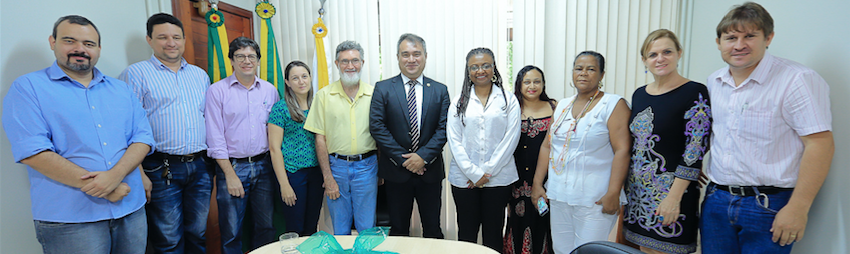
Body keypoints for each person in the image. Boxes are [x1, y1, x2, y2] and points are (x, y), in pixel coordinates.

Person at [2, 15, 154, 254]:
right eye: (69, 41)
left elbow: (142, 138)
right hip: (71, 218)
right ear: (52, 42)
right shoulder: (28, 88)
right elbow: (34, 152)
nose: (79, 49)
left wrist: (115, 176)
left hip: (130, 209)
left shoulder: (121, 89)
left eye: (89, 44)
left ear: (99, 49)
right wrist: (105, 187)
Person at [701, 2, 834, 254]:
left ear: (768, 38)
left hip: (768, 205)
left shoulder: (797, 79)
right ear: (719, 42)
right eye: (731, 37)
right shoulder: (714, 81)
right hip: (716, 200)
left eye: (749, 36)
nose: (739, 45)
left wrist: (798, 207)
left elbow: (820, 143)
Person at [119, 13, 212, 254]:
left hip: (200, 165)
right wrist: (137, 172)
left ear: (183, 40)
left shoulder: (199, 75)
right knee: (168, 239)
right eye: (162, 37)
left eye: (176, 37)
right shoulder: (135, 74)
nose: (170, 42)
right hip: (160, 168)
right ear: (150, 40)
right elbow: (125, 128)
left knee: (198, 233)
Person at [531, 51, 630, 253]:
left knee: (589, 251)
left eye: (591, 69)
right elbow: (547, 145)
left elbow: (623, 150)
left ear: (602, 75)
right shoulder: (562, 106)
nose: (583, 73)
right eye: (579, 68)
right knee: (561, 250)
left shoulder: (613, 104)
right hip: (559, 195)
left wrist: (613, 192)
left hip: (595, 198)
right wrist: (537, 184)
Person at [622, 29, 711, 254]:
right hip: (639, 195)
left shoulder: (695, 92)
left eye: (667, 52)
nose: (660, 58)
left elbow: (695, 149)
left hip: (672, 195)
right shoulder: (639, 94)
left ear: (679, 53)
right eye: (652, 54)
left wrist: (674, 197)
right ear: (644, 60)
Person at [370, 33, 450, 238]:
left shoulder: (440, 90)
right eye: (405, 54)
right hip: (396, 172)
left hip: (429, 172)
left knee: (433, 229)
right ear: (397, 57)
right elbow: (377, 127)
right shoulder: (383, 88)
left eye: (417, 54)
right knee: (398, 230)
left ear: (425, 56)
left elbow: (444, 129)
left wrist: (422, 157)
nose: (411, 59)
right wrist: (405, 160)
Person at [205, 37, 280, 254]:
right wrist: (228, 174)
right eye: (240, 56)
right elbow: (215, 136)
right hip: (233, 167)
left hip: (264, 166)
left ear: (258, 61)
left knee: (266, 226)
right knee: (231, 230)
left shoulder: (269, 91)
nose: (246, 61)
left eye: (251, 56)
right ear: (231, 60)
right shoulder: (217, 91)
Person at [447, 47, 520, 251]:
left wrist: (486, 172)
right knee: (467, 233)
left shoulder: (508, 100)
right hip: (464, 180)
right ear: (468, 71)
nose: (480, 70)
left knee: (494, 232)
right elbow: (454, 140)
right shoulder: (458, 102)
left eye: (486, 65)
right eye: (475, 67)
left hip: (498, 179)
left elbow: (511, 138)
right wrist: (473, 172)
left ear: (494, 67)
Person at [304, 40, 378, 235]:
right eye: (344, 61)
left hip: (368, 168)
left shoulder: (375, 95)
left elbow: (381, 135)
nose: (350, 66)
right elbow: (320, 139)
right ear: (336, 64)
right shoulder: (323, 96)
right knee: (340, 228)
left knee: (367, 228)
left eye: (355, 60)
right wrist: (327, 177)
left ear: (362, 62)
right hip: (336, 168)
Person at [503, 65, 556, 254]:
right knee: (516, 222)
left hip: (546, 181)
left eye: (537, 81)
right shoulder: (511, 108)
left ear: (543, 84)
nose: (532, 86)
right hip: (515, 180)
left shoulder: (554, 108)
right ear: (519, 85)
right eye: (527, 82)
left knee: (544, 222)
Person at [268, 61, 323, 236]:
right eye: (295, 78)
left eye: (304, 76)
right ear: (287, 82)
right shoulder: (280, 109)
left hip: (316, 173)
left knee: (311, 227)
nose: (301, 81)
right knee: (295, 227)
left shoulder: (318, 105)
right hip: (292, 175)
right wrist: (284, 185)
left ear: (310, 78)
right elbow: (274, 149)